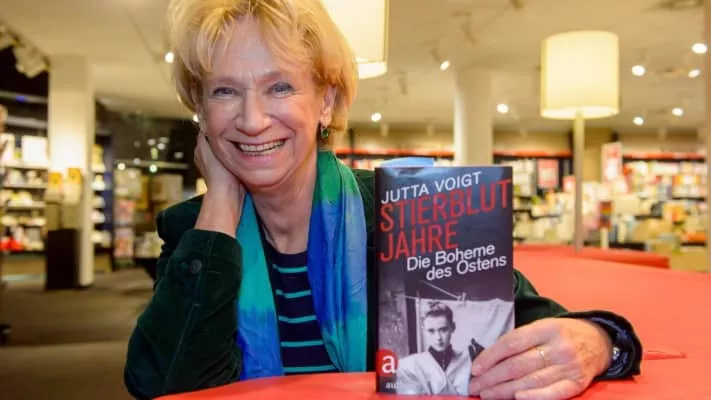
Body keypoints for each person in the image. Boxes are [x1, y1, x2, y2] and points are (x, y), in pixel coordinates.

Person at [123, 1, 642, 399]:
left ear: (326, 101)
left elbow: (542, 326)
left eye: (279, 87)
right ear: (201, 111)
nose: (253, 119)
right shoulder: (196, 235)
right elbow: (161, 384)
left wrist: (598, 342)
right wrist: (220, 203)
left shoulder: (408, 209)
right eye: (224, 91)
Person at [396, 302, 471, 395]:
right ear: (423, 330)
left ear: (453, 327)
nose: (438, 338)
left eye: (443, 330)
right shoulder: (410, 365)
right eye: (431, 331)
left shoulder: (468, 361)